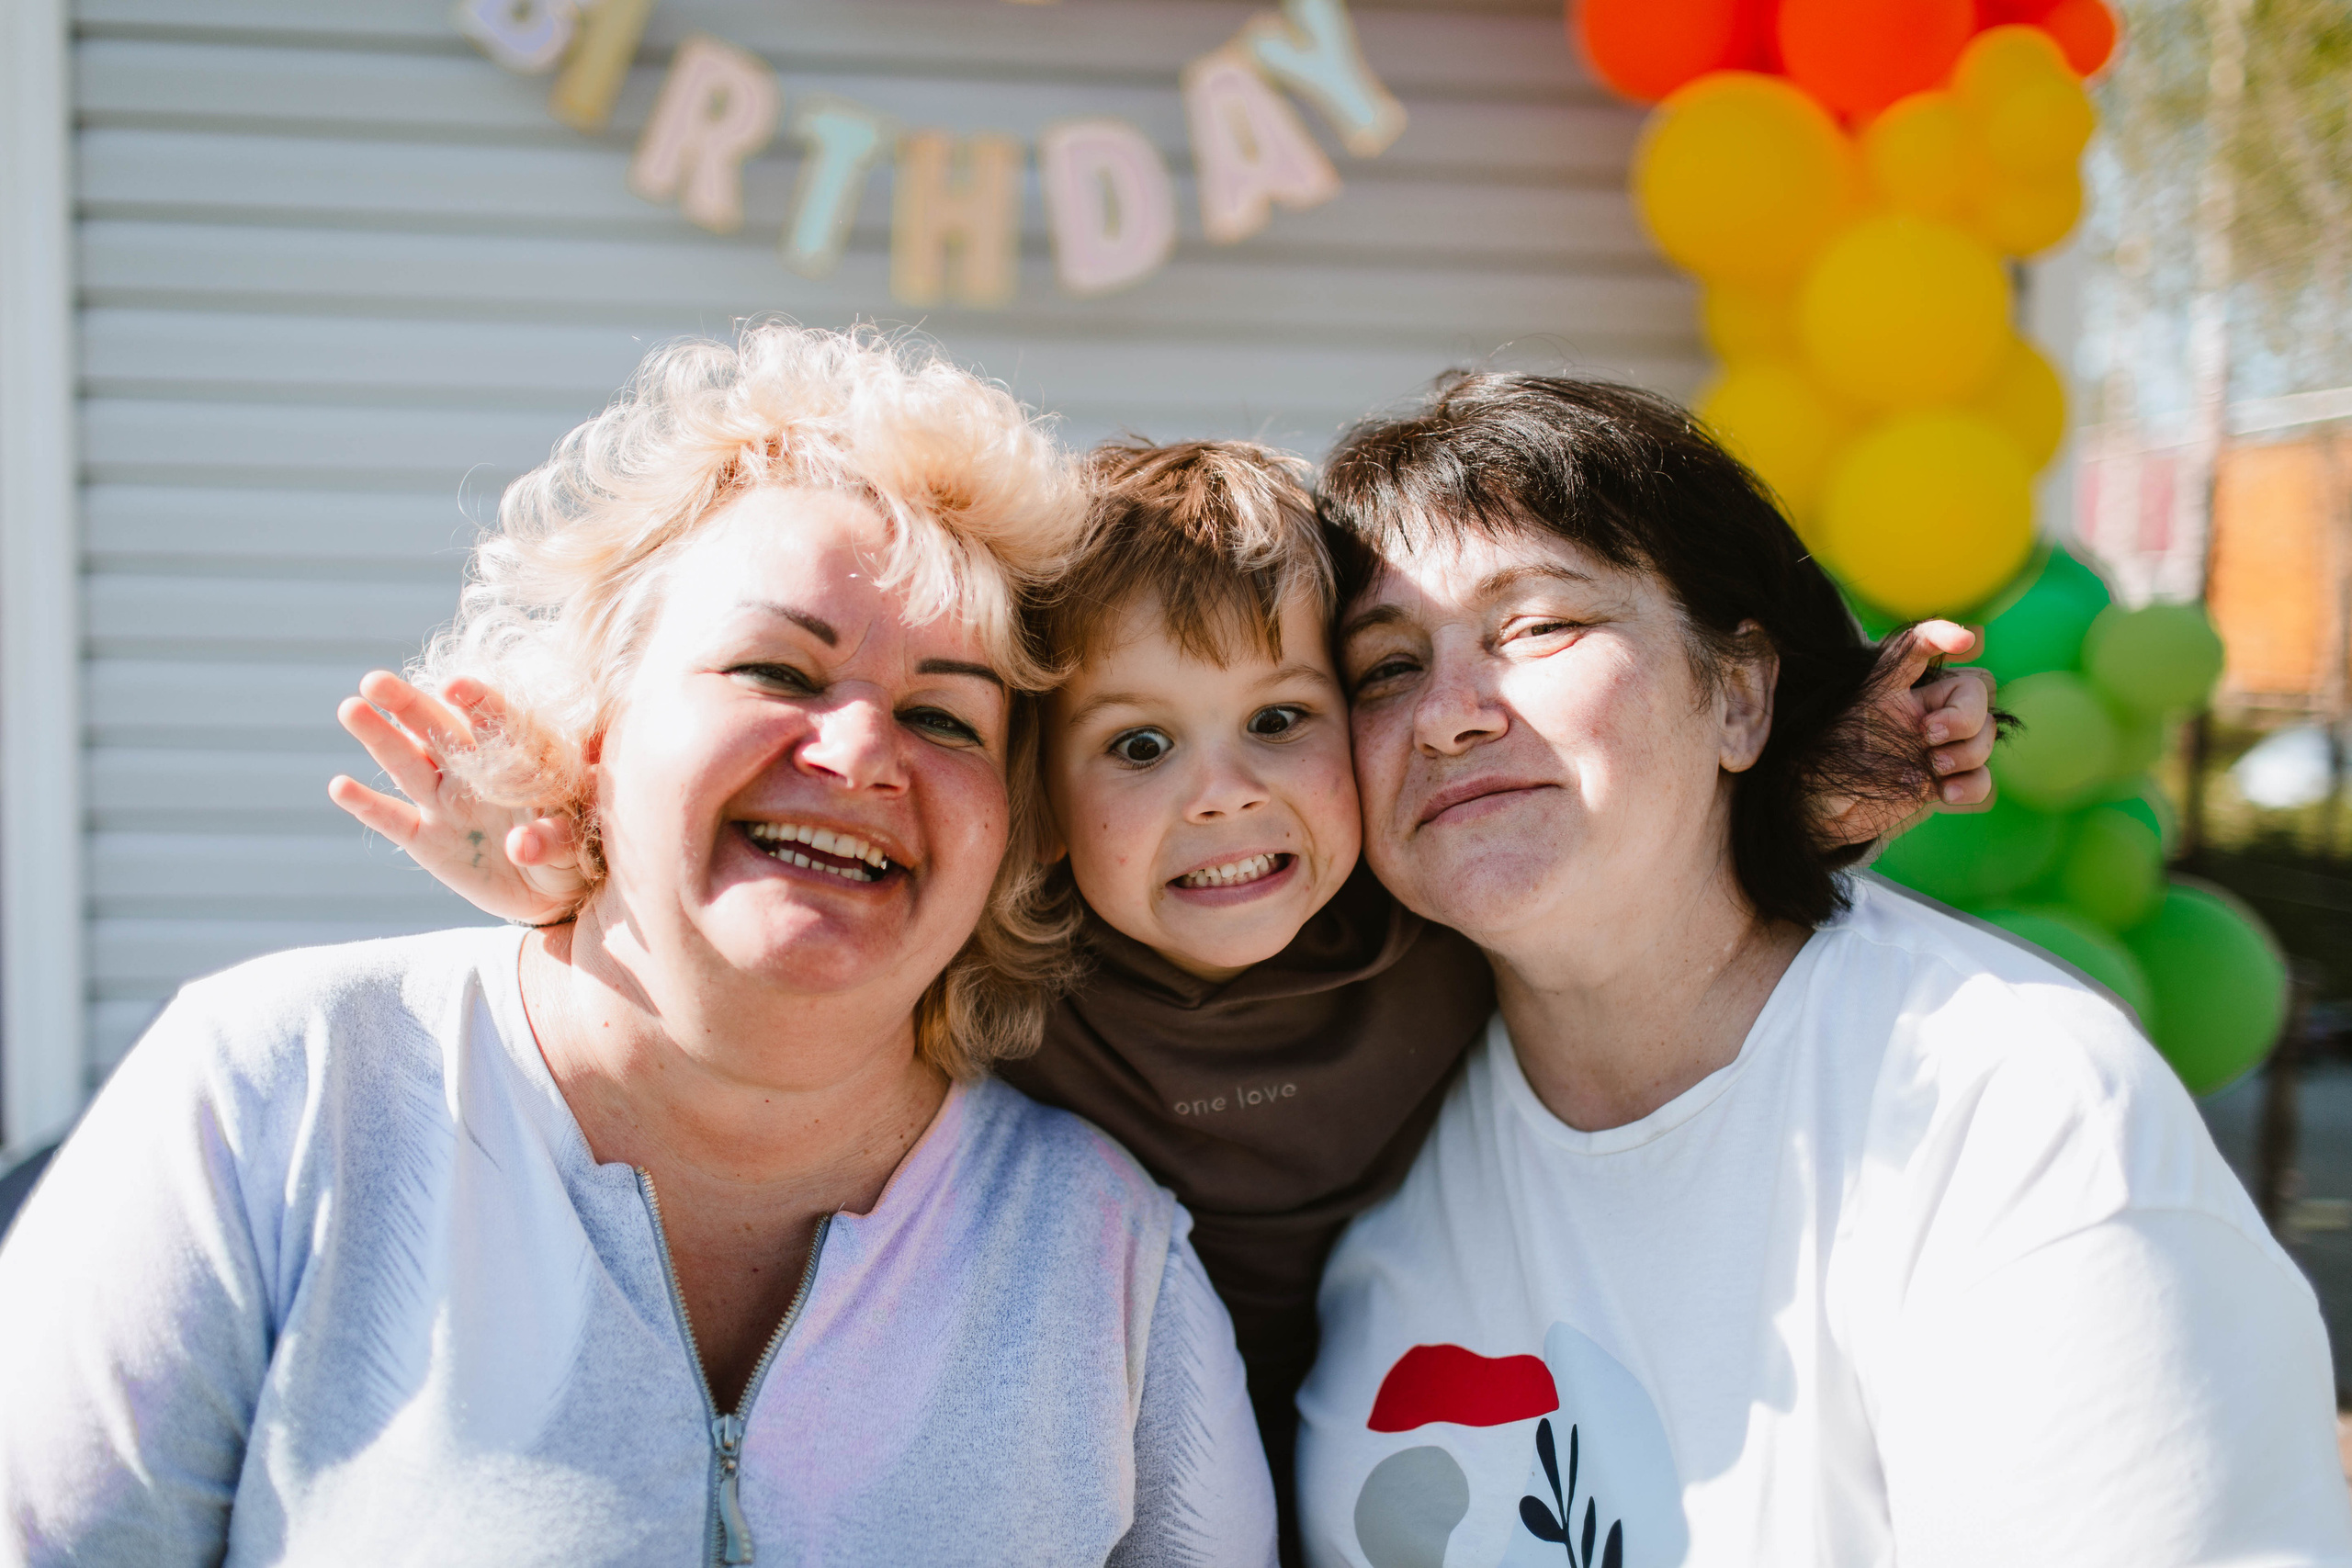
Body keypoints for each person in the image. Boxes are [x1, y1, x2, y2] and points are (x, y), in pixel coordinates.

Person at [328, 432, 1997, 1545]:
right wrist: (579, 876)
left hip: (1413, 1438)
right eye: (1139, 747)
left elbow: (1612, 868)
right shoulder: (1007, 959)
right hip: (1108, 1455)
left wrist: (1833, 777)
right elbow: (785, 959)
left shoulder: (1423, 914)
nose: (1225, 796)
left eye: (1280, 720)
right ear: (1042, 797)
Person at [0, 325, 1276, 1567]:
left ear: (1012, 826)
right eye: (778, 672)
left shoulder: (1113, 1258)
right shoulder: (277, 1088)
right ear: (595, 728)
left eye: (946, 717)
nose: (860, 754)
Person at [1295, 374, 2352, 1567]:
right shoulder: (1349, 1102)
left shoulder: (2014, 1112)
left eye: (1537, 626)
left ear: (1740, 695)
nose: (1446, 714)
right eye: (1385, 668)